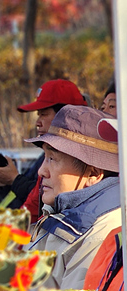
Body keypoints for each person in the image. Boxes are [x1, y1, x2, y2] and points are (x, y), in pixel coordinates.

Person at [24, 105, 120, 289]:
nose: (41, 171)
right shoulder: (66, 216)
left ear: (93, 174)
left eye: (52, 159)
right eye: (44, 157)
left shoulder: (98, 236)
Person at [0, 79, 86, 222]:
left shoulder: (82, 157)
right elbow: (32, 203)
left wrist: (15, 180)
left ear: (66, 115)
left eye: (43, 114)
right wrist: (6, 184)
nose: (37, 122)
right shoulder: (44, 154)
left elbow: (43, 201)